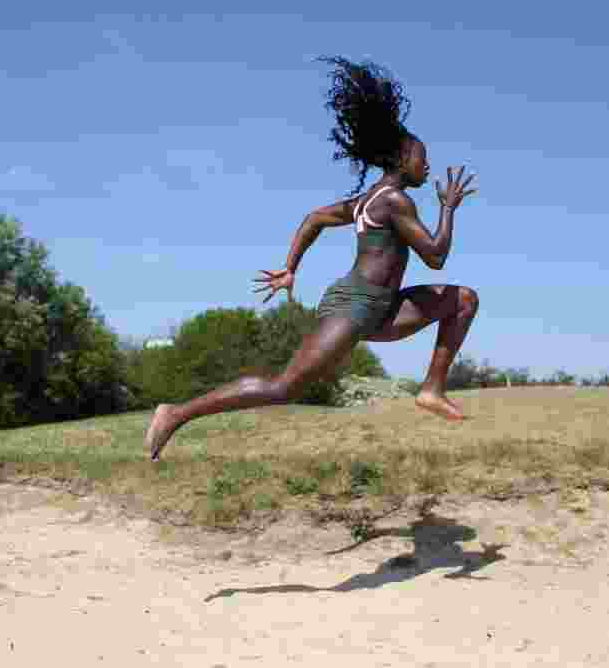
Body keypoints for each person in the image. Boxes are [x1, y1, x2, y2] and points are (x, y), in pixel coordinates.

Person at [145, 55, 479, 461]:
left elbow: (315, 218)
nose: (426, 165)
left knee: (463, 300)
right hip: (355, 306)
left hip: (383, 307)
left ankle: (431, 389)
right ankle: (175, 414)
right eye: (420, 157)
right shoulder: (393, 200)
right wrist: (448, 208)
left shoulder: (368, 200)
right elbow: (436, 257)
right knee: (283, 387)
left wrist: (291, 267)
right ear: (399, 160)